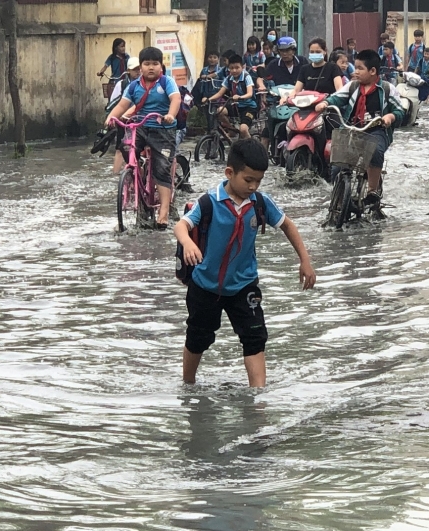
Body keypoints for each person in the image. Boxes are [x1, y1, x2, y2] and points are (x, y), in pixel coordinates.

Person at [174, 138, 315, 387]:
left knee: (254, 337)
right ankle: (188, 384)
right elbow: (182, 225)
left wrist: (304, 260)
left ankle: (258, 397)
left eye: (258, 181)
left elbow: (288, 225)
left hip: (244, 284)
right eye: (248, 180)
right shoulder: (209, 202)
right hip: (205, 285)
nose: (253, 186)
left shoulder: (260, 204)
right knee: (198, 337)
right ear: (230, 172)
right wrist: (188, 243)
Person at [314, 49, 404, 203]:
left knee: (375, 151)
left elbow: (400, 111)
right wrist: (325, 103)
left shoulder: (388, 89)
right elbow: (337, 98)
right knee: (337, 166)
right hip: (352, 128)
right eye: (355, 67)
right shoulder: (352, 87)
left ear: (373, 71)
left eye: (360, 68)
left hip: (376, 130)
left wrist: (390, 116)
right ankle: (339, 198)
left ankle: (372, 191)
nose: (356, 72)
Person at [105, 46, 181, 228]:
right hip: (140, 127)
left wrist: (170, 115)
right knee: (124, 146)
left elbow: (176, 99)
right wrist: (110, 117)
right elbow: (123, 105)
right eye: (147, 64)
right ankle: (134, 174)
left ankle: (163, 213)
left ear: (161, 66)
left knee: (162, 168)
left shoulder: (166, 82)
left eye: (155, 64)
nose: (151, 67)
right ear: (141, 67)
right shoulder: (134, 86)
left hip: (162, 129)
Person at [205, 54, 257, 141]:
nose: (234, 70)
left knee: (243, 129)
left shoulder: (246, 77)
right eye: (231, 68)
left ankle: (250, 147)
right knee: (220, 111)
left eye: (237, 68)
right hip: (235, 106)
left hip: (249, 107)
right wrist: (208, 99)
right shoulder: (229, 78)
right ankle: (231, 130)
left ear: (242, 67)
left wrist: (240, 97)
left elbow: (250, 93)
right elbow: (220, 93)